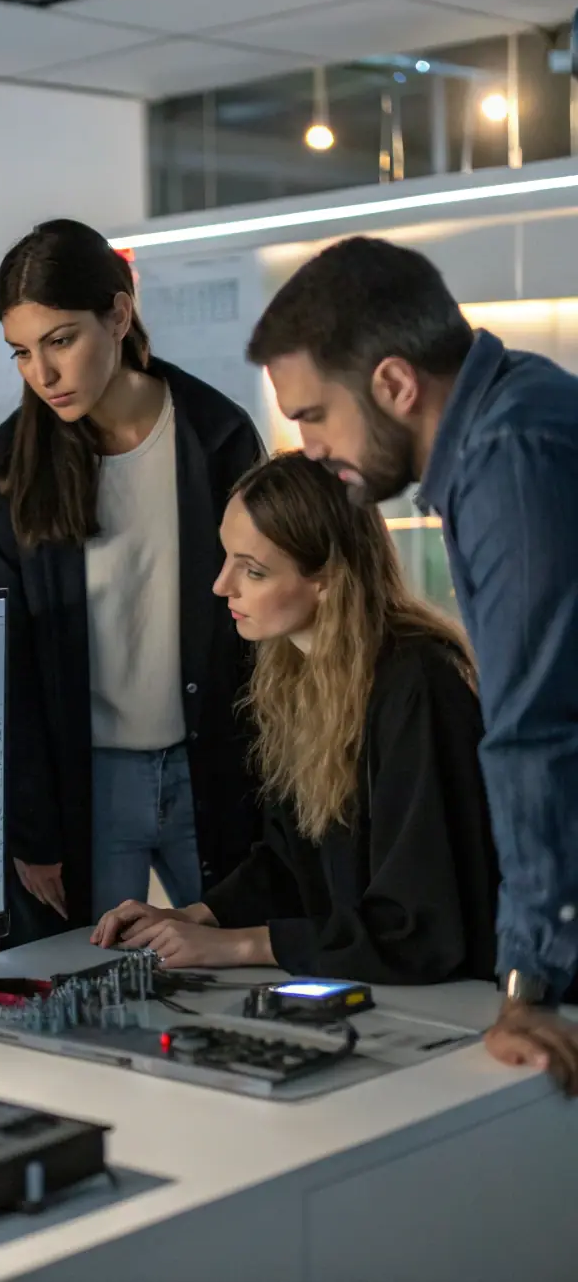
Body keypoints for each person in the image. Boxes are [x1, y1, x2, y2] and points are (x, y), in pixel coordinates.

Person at [242, 235, 578, 1093]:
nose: (308, 447)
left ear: (393, 383)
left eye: (314, 414)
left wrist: (529, 984)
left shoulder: (509, 457)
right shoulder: (523, 405)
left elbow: (537, 726)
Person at [0, 218, 264, 947]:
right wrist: (31, 826)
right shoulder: (10, 467)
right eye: (22, 352)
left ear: (119, 314)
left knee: (246, 970)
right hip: (86, 787)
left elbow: (265, 631)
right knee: (83, 990)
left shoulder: (217, 436)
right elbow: (1, 660)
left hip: (213, 770)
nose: (44, 373)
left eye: (61, 339)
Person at [93, 452, 499, 986]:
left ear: (328, 577)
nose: (221, 586)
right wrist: (191, 918)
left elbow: (416, 923)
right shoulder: (295, 668)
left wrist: (236, 947)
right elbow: (293, 862)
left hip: (459, 1002)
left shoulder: (418, 687)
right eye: (226, 557)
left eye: (253, 571)